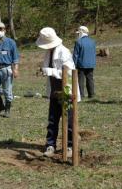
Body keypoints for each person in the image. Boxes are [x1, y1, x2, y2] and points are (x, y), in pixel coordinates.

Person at [36, 27, 80, 157]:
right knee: (52, 120)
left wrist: (49, 71)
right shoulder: (48, 53)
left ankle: (70, 146)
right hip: (54, 91)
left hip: (67, 91)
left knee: (69, 120)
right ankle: (50, 145)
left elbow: (70, 73)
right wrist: (43, 70)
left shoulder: (64, 52)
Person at [0, 22, 20, 118]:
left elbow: (15, 57)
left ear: (5, 30)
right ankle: (0, 106)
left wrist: (16, 69)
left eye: (1, 29)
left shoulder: (11, 42)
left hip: (7, 69)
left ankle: (7, 110)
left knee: (7, 91)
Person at [73, 26, 96, 99]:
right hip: (91, 64)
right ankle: (91, 94)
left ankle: (81, 95)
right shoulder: (92, 41)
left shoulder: (78, 42)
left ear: (81, 33)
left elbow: (75, 55)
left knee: (80, 80)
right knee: (90, 79)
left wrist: (74, 64)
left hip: (81, 64)